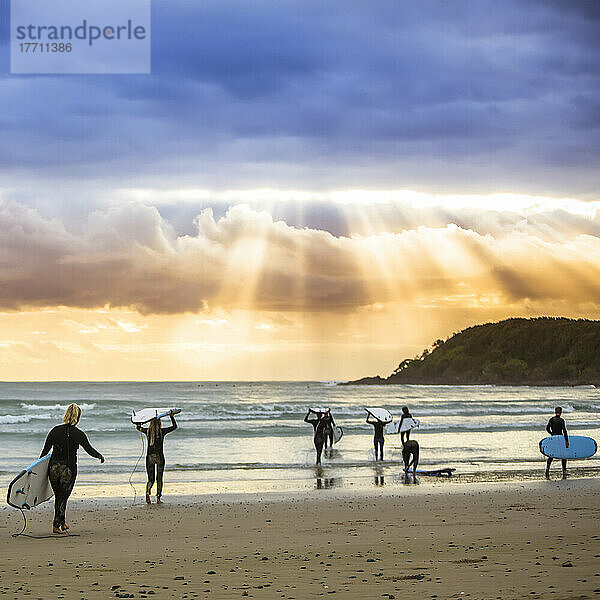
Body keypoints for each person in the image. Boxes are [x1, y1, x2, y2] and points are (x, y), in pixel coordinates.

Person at [40, 403, 104, 534]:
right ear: (78, 417)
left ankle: (62, 522)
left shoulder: (54, 430)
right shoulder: (79, 433)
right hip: (68, 469)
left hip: (53, 468)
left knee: (59, 496)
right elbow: (89, 449)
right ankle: (56, 525)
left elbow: (45, 451)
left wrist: (37, 468)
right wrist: (99, 456)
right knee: (63, 496)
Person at [137, 410, 178, 504]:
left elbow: (138, 428)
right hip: (160, 457)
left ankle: (147, 492)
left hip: (150, 457)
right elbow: (174, 427)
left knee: (150, 479)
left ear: (150, 423)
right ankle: (158, 498)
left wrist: (140, 421)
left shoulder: (147, 431)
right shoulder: (162, 431)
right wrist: (171, 417)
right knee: (159, 478)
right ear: (160, 423)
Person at [545, 406, 569, 480]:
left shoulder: (551, 420)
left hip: (554, 438)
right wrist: (567, 440)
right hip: (560, 438)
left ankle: (547, 469)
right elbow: (564, 430)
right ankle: (564, 472)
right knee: (563, 455)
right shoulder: (561, 420)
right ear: (561, 412)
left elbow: (547, 428)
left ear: (555, 412)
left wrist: (552, 434)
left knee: (552, 454)